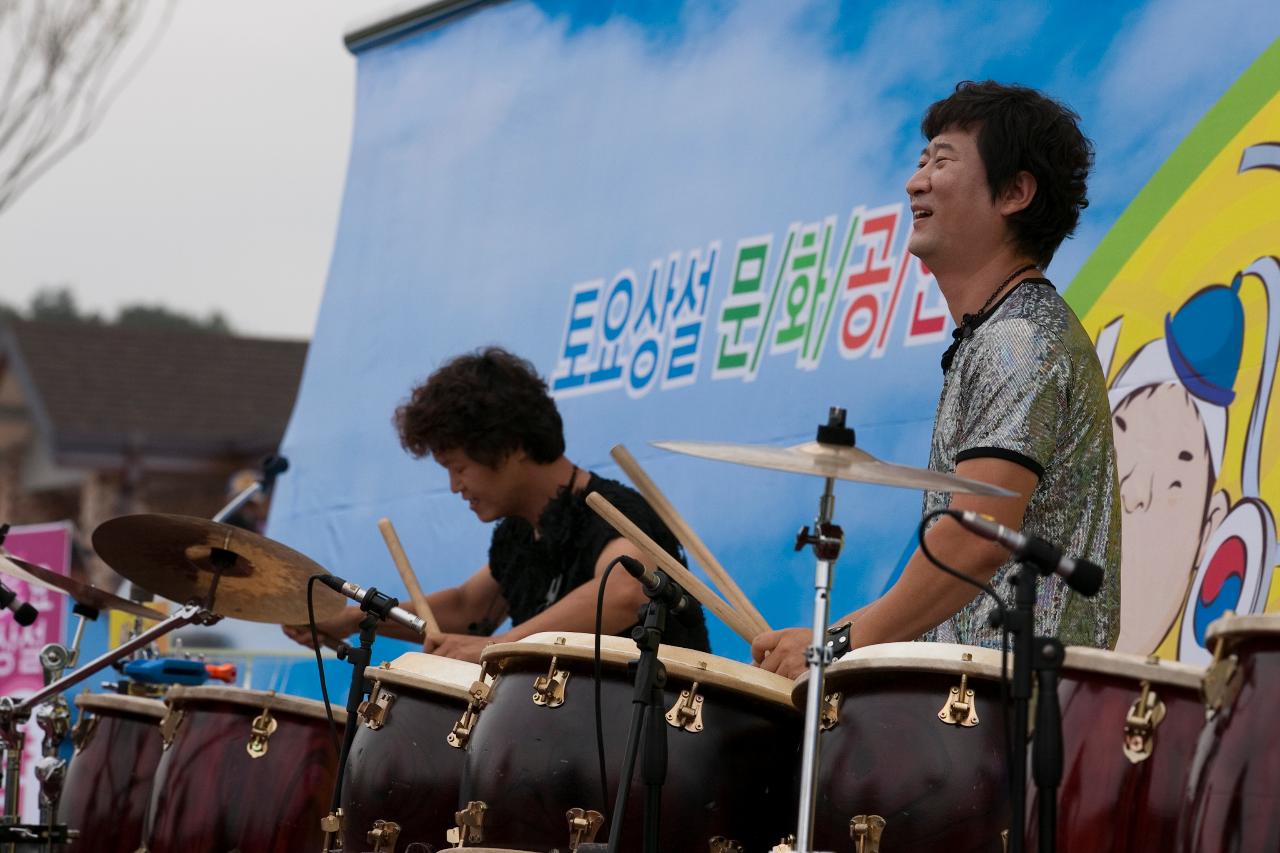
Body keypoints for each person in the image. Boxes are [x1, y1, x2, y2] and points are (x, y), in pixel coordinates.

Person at [753, 81, 1121, 678]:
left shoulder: (1018, 337)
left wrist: (833, 647)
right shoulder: (998, 332)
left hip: (1011, 715)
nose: (914, 181)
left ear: (1015, 192)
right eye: (921, 161)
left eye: (942, 161)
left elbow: (974, 538)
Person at [284, 347, 710, 660]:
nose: (454, 487)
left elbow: (626, 589)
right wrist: (351, 619)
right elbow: (469, 608)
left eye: (458, 467)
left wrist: (498, 647)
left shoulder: (610, 508)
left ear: (510, 446)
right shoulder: (521, 534)